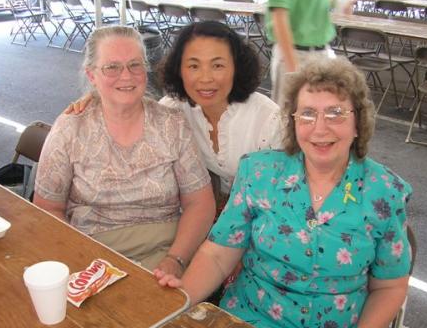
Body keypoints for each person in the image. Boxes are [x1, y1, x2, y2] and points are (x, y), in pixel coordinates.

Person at [156, 57, 413, 328]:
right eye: (307, 114)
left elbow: (390, 287)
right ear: (293, 122)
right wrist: (181, 301)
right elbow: (218, 255)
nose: (319, 128)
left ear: (357, 123)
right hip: (251, 326)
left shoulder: (384, 193)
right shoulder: (258, 173)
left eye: (335, 113)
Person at [34, 26, 215, 276]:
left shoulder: (171, 123)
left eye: (135, 65)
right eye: (112, 67)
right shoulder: (71, 128)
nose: (126, 76)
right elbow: (47, 207)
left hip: (165, 249)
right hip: (92, 252)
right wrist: (81, 258)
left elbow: (200, 203)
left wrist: (176, 260)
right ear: (92, 75)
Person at [66, 21, 284, 213]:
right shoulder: (177, 108)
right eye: (193, 66)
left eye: (217, 65)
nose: (205, 78)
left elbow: (289, 193)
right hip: (218, 208)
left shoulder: (269, 121)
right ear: (180, 69)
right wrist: (98, 97)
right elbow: (135, 107)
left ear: (236, 68)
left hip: (270, 211)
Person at [267, 0, 353, 106]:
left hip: (322, 53)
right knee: (287, 109)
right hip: (294, 54)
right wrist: (293, 70)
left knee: (320, 107)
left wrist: (343, 2)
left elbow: (339, 9)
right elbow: (279, 20)